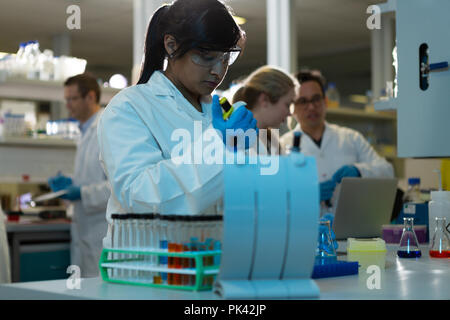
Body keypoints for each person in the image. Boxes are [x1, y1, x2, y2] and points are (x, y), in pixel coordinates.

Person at [97, 0, 256, 242]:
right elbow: (140, 197)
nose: (218, 70)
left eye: (226, 58)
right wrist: (218, 147)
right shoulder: (130, 107)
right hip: (148, 268)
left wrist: (256, 156)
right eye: (206, 56)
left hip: (211, 262)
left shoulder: (220, 111)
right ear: (171, 46)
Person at [280, 70, 394, 206]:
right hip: (306, 225)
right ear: (293, 108)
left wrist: (359, 171)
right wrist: (308, 194)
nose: (311, 107)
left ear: (325, 101)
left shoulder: (351, 138)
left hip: (348, 224)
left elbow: (387, 171)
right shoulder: (283, 145)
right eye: (303, 101)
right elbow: (275, 196)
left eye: (316, 99)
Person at [48, 73, 110, 278]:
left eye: (72, 99)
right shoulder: (84, 131)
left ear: (90, 97)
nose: (68, 105)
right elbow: (94, 176)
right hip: (85, 231)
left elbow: (118, 186)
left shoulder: (106, 129)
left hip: (101, 232)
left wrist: (81, 193)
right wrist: (70, 183)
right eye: (66, 99)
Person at [232, 65, 298, 154]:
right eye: (287, 104)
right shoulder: (235, 140)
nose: (290, 113)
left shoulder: (271, 141)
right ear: (264, 100)